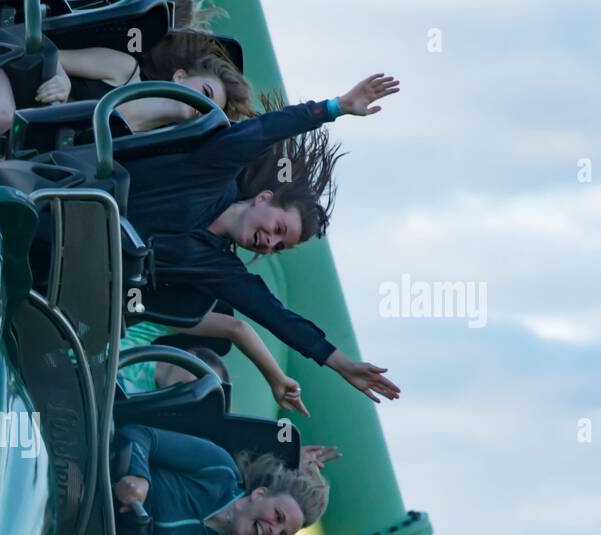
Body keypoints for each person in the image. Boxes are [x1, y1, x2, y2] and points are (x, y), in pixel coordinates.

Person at [118, 74, 403, 404]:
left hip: (75, 265)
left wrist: (342, 364)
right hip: (75, 191)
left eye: (278, 246)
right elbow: (268, 129)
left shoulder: (219, 268)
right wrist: (334, 107)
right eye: (278, 230)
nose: (269, 243)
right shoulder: (216, 168)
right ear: (264, 198)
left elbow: (276, 315)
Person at [0, 29, 254, 185]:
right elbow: (52, 56)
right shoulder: (123, 69)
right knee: (1, 116)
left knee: (5, 174)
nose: (201, 106)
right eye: (204, 93)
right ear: (180, 77)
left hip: (24, 143)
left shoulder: (141, 144)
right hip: (7, 74)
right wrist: (63, 79)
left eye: (210, 112)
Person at [112, 423, 338, 535]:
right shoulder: (218, 468)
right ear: (259, 494)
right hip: (93, 484)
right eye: (278, 517)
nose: (274, 532)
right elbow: (139, 435)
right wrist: (140, 477)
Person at [118, 310, 308, 416]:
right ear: (188, 356)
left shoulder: (147, 411)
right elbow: (236, 329)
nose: (197, 388)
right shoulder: (142, 332)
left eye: (205, 390)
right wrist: (277, 379)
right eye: (200, 377)